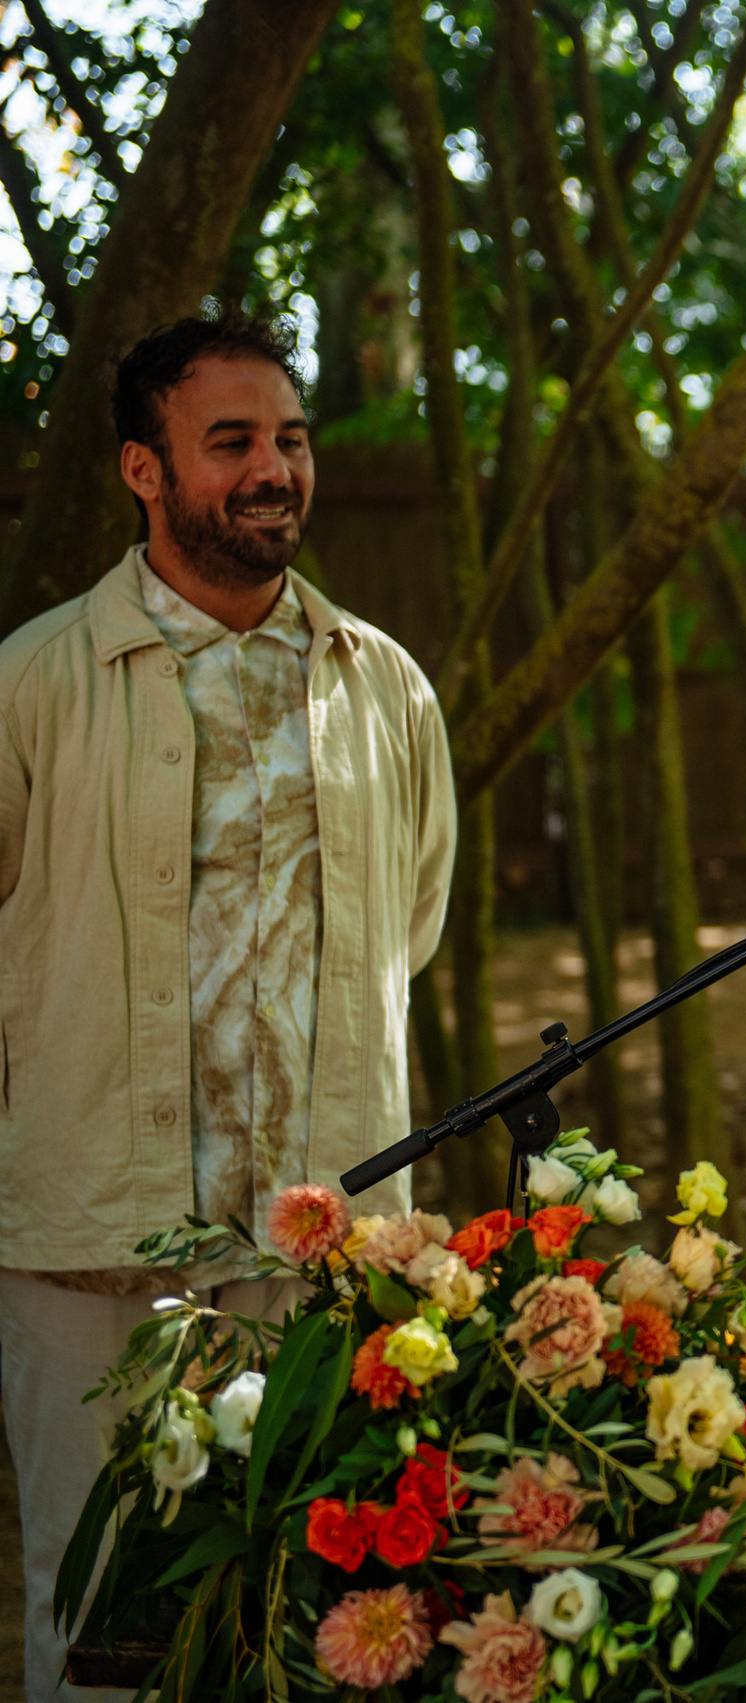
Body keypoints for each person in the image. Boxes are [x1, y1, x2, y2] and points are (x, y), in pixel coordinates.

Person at [0, 312, 455, 1697]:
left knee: (324, 1622)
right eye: (234, 442)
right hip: (96, 1247)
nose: (276, 469)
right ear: (145, 469)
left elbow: (410, 923)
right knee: (103, 1630)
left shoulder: (382, 688)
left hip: (322, 1256)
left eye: (293, 438)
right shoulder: (34, 686)